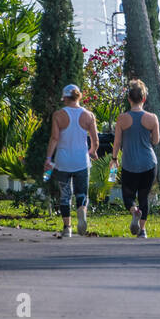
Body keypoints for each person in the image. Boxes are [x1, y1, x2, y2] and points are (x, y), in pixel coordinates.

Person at [43, 84, 98, 238]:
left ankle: (67, 228)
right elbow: (95, 140)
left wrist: (48, 158)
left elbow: (54, 138)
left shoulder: (58, 115)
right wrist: (92, 152)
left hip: (63, 162)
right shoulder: (89, 115)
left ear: (65, 98)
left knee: (65, 195)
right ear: (79, 96)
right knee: (82, 194)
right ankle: (81, 208)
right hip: (81, 160)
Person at [111, 79, 159, 239]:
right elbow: (156, 140)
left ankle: (134, 211)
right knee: (144, 196)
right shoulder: (152, 118)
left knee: (128, 196)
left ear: (129, 99)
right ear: (144, 98)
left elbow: (117, 142)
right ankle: (143, 231)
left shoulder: (122, 119)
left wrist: (114, 158)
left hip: (130, 164)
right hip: (149, 163)